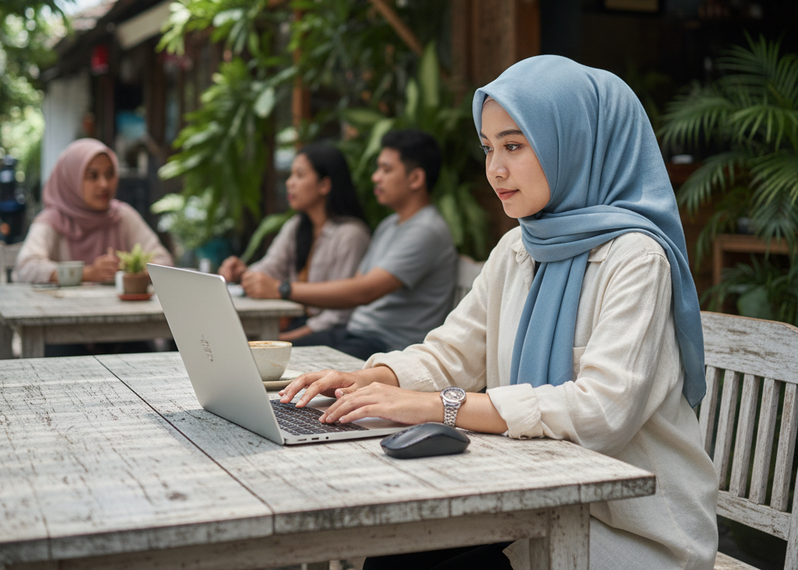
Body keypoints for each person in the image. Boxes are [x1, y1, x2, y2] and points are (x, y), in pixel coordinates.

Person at [279, 57, 719, 570]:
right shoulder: (519, 247)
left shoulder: (637, 257)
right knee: (398, 549)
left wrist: (433, 407)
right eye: (488, 148)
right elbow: (452, 352)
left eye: (514, 145)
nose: (496, 169)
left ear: (574, 141)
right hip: (536, 502)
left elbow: (600, 412)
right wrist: (364, 378)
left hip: (631, 530)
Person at [247, 129, 458, 361]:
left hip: (388, 347)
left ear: (416, 179)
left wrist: (282, 289)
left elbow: (364, 291)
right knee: (255, 353)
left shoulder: (426, 230)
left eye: (386, 170)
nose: (376, 177)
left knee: (265, 359)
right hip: (355, 335)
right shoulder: (390, 224)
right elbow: (357, 284)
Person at [218, 142, 371, 339]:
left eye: (299, 175)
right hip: (294, 323)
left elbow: (341, 312)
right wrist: (243, 274)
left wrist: (285, 338)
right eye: (291, 175)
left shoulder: (351, 235)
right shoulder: (297, 225)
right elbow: (272, 267)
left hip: (331, 332)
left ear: (324, 185)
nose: (290, 182)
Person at [15, 139, 173, 284]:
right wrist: (87, 273)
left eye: (110, 174)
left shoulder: (121, 216)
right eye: (93, 176)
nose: (104, 184)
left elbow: (163, 260)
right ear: (72, 180)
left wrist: (135, 270)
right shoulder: (52, 220)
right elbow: (27, 267)